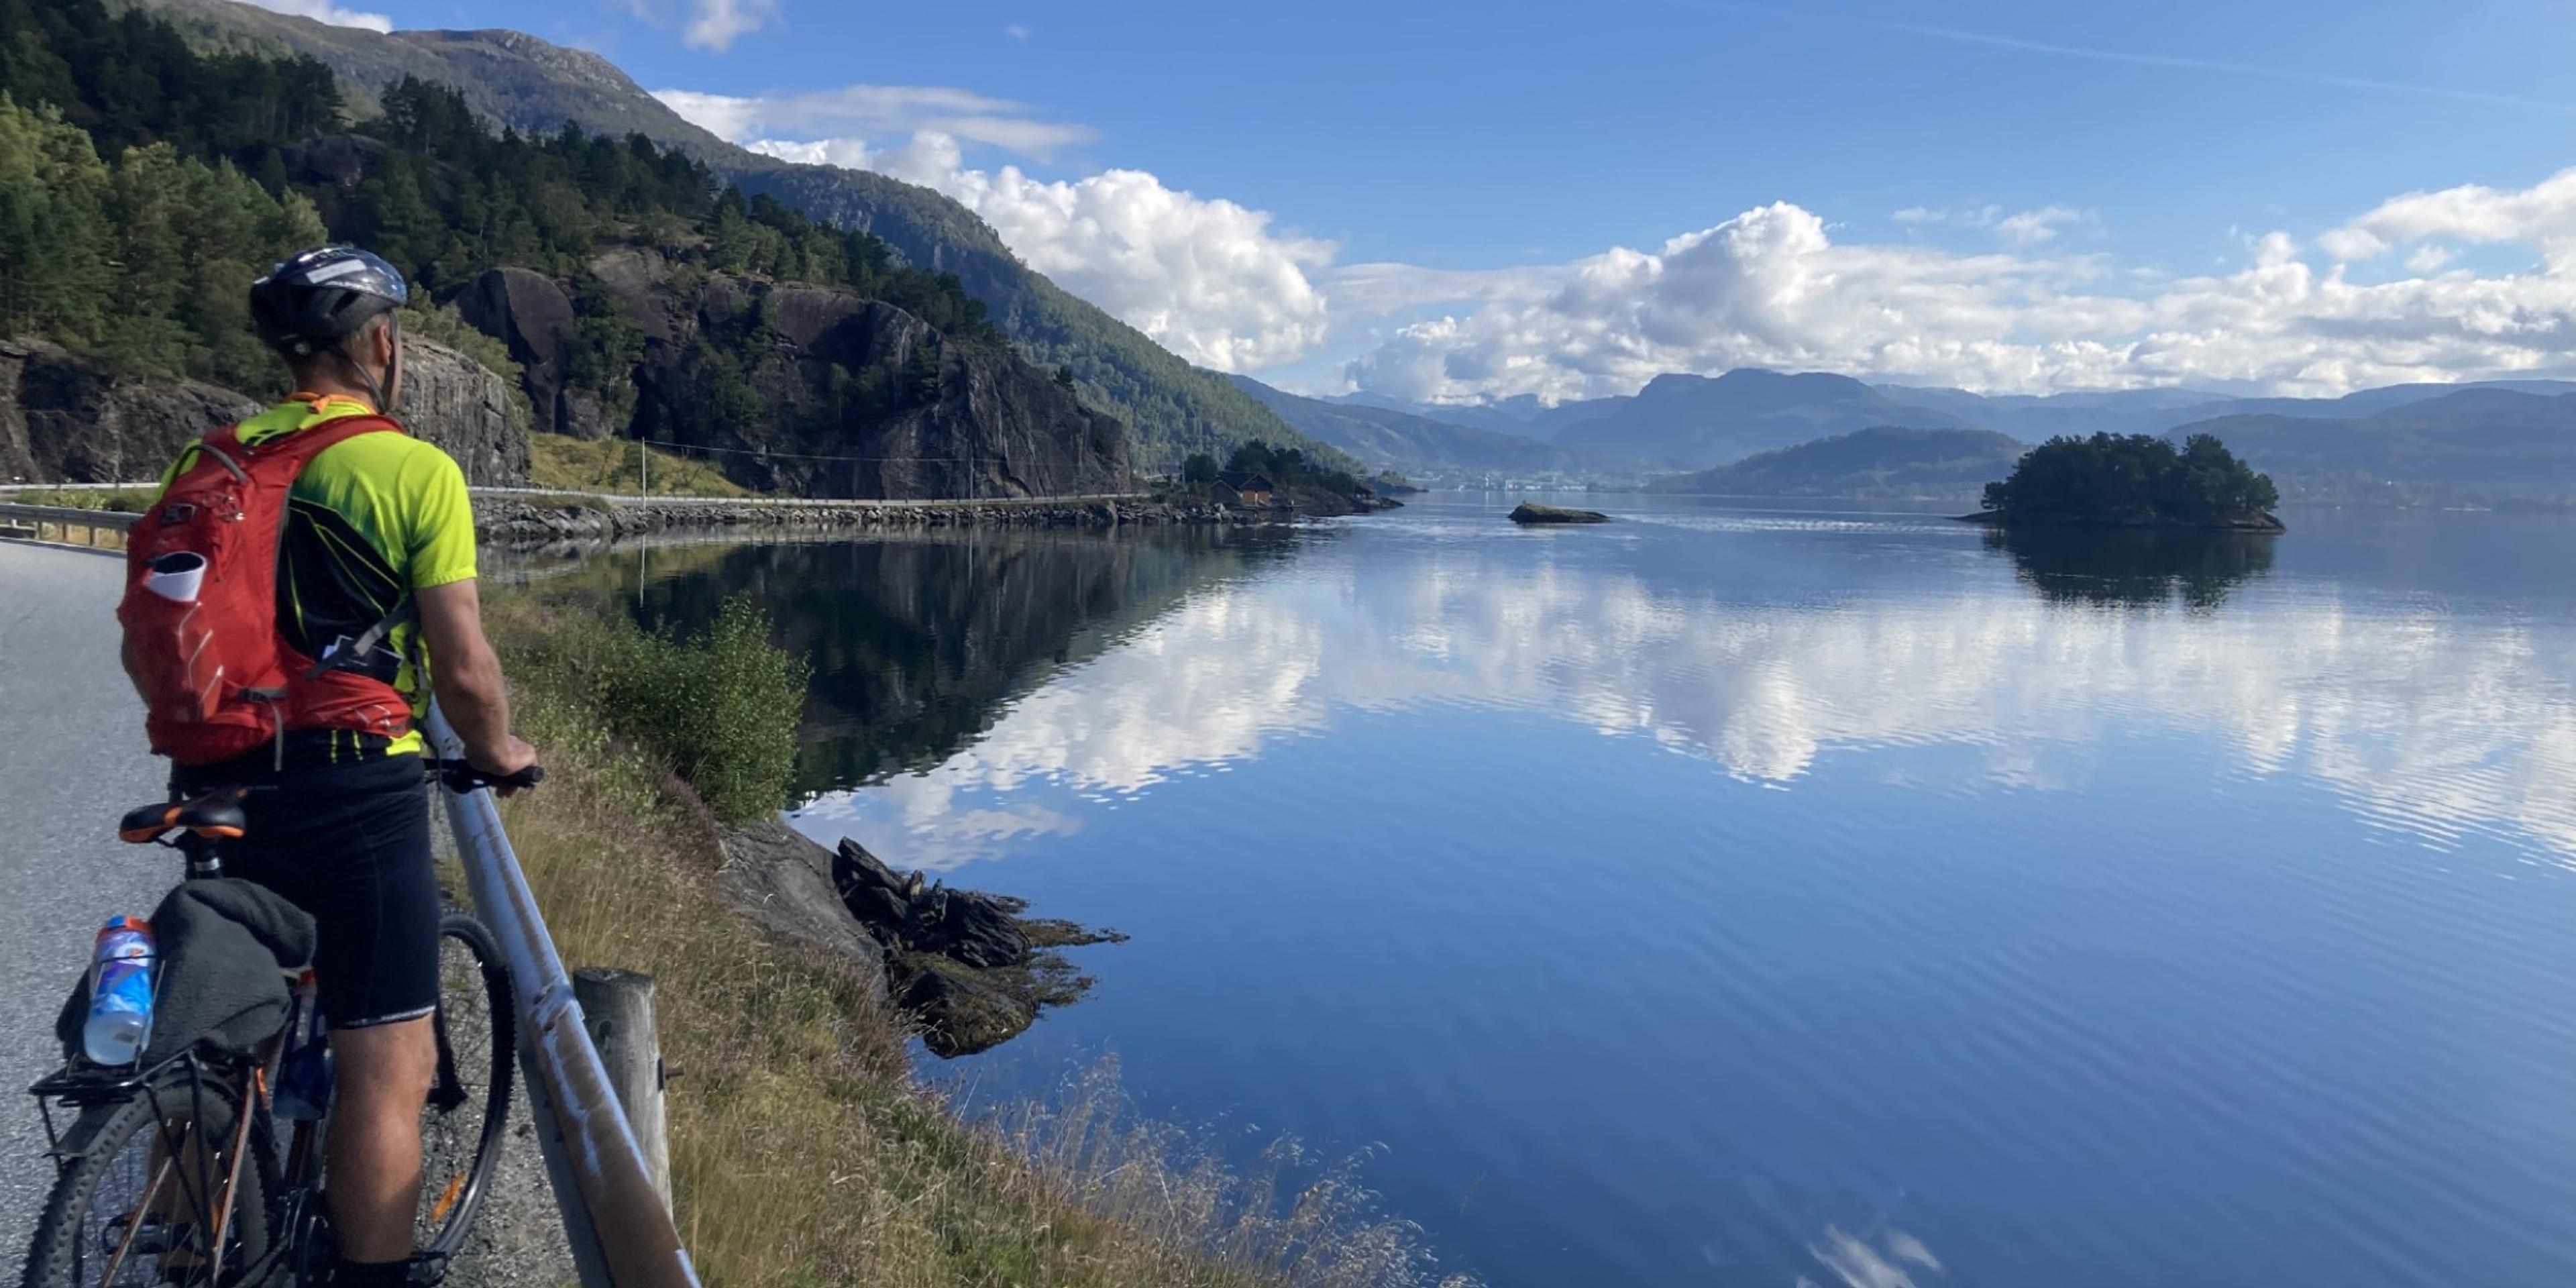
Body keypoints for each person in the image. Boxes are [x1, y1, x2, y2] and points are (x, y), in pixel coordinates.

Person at [129, 246, 537, 1285]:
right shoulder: (409, 467)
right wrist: (501, 754)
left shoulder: (207, 462)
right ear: (382, 346)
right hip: (356, 783)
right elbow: (463, 667)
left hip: (220, 775)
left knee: (216, 1025)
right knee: (386, 1062)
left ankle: (179, 1247)